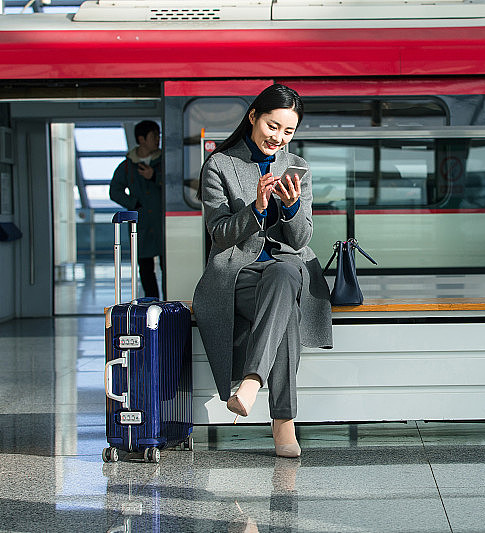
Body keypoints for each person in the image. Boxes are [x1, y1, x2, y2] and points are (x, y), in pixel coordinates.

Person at [193, 84, 332, 458]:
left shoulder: (298, 167)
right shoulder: (220, 165)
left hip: (290, 267)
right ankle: (283, 421)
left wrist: (291, 208)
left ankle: (252, 383)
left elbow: (302, 239)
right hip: (239, 274)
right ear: (253, 116)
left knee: (286, 272)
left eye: (288, 131)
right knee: (283, 300)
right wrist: (256, 208)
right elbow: (220, 235)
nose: (278, 138)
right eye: (273, 126)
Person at [109, 120, 163, 299]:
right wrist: (134, 204)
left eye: (158, 135)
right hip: (140, 225)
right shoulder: (127, 165)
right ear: (141, 139)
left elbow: (175, 184)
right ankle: (152, 304)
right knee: (146, 269)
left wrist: (154, 176)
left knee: (169, 265)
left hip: (164, 222)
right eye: (154, 136)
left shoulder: (164, 160)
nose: (158, 139)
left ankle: (172, 305)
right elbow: (115, 191)